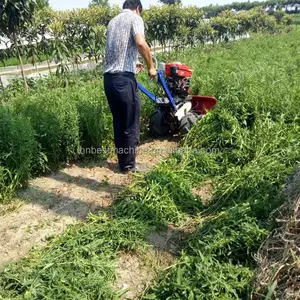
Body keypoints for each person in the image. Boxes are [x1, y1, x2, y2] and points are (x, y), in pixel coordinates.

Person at [103, 0, 157, 174]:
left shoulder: (113, 21)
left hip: (109, 79)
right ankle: (129, 166)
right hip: (123, 81)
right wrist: (151, 66)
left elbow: (119, 49)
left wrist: (133, 64)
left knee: (119, 122)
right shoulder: (135, 18)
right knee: (131, 123)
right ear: (138, 9)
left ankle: (123, 163)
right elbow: (140, 43)